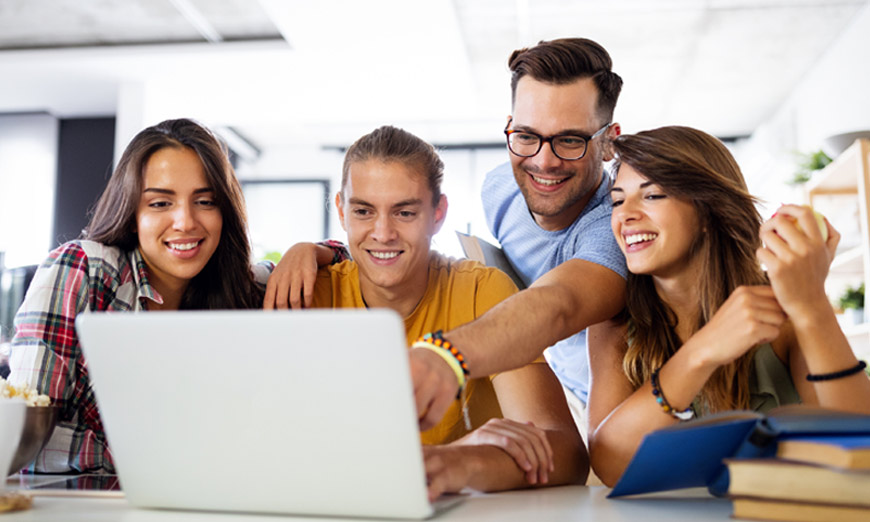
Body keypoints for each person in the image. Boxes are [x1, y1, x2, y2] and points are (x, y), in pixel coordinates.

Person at [309, 125, 586, 499]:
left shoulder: (480, 290)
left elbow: (566, 455)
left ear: (438, 213)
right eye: (363, 210)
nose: (382, 232)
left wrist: (460, 464)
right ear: (342, 210)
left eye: (405, 212)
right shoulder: (310, 295)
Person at [585, 125, 870, 486]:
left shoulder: (781, 312)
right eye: (617, 199)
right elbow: (609, 465)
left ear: (708, 211)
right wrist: (703, 352)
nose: (625, 215)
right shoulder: (613, 324)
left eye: (652, 195)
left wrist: (812, 305)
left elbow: (860, 447)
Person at [8, 118, 273, 473]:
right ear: (132, 214)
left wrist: (315, 252)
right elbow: (19, 439)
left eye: (205, 201)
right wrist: (158, 459)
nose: (185, 222)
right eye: (161, 204)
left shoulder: (242, 289)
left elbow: (358, 259)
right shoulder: (83, 269)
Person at [410, 38, 627, 433]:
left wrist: (445, 356)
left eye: (570, 140)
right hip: (558, 385)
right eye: (526, 136)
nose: (544, 162)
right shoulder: (500, 190)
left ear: (609, 141)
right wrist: (330, 252)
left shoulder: (618, 225)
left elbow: (559, 303)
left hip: (628, 408)